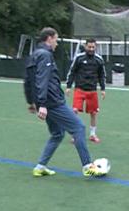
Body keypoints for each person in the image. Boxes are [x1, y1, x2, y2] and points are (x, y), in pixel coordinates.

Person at [24, 27, 103, 177]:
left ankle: (40, 167)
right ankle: (87, 166)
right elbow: (42, 80)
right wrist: (42, 104)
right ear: (49, 38)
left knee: (57, 134)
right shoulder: (45, 55)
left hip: (45, 102)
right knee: (79, 128)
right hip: (53, 102)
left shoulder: (34, 55)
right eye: (56, 39)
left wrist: (31, 101)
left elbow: (28, 81)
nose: (57, 43)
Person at [65, 39, 106, 143]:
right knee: (74, 111)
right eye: (89, 47)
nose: (91, 49)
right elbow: (72, 72)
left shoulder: (99, 59)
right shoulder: (79, 58)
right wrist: (68, 86)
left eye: (93, 47)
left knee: (93, 113)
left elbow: (102, 75)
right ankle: (75, 135)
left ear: (95, 47)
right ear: (85, 46)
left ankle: (92, 135)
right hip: (79, 89)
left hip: (92, 91)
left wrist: (103, 89)